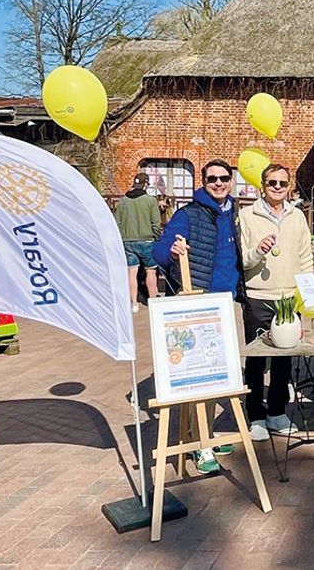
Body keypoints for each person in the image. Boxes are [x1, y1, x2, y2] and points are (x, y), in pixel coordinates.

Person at [153, 159, 246, 474]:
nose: (218, 183)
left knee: (219, 376)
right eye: (212, 179)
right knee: (200, 380)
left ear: (230, 181)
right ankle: (200, 444)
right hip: (199, 305)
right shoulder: (188, 214)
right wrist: (174, 252)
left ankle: (204, 433)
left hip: (225, 304)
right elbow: (159, 252)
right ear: (203, 181)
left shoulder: (234, 213)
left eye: (223, 178)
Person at [238, 164, 312, 441]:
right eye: (272, 183)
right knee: (257, 359)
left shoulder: (297, 217)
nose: (277, 188)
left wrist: (305, 295)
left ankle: (277, 412)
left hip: (289, 298)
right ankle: (256, 415)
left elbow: (306, 257)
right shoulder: (246, 216)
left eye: (282, 183)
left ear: (289, 185)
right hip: (259, 295)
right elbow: (242, 260)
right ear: (263, 184)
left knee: (284, 359)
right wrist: (257, 251)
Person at [114, 172, 161, 313]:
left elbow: (118, 223)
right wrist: (156, 236)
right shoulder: (151, 201)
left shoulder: (122, 201)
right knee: (151, 271)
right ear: (146, 184)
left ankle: (134, 303)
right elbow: (156, 223)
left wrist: (123, 237)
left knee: (131, 273)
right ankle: (152, 301)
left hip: (128, 241)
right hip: (147, 240)